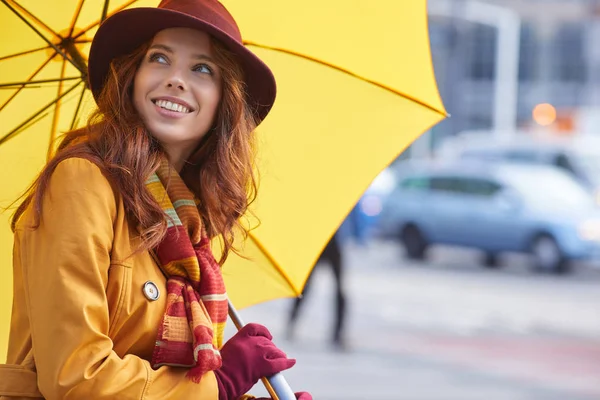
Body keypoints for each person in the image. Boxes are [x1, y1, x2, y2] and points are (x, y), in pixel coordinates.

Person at [0, 1, 310, 399]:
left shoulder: (184, 219)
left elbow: (164, 376)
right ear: (133, 77)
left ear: (223, 100)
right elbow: (75, 377)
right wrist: (221, 384)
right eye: (159, 58)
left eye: (201, 68)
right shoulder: (83, 182)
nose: (176, 80)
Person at [287, 233, 348, 350]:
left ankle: (338, 332)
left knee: (338, 290)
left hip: (330, 240)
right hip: (319, 242)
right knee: (304, 287)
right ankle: (292, 321)